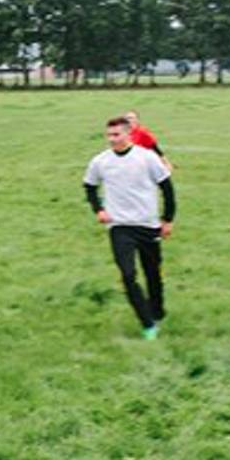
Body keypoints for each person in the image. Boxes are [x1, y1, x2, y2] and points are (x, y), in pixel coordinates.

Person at [83, 117, 176, 339]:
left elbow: (167, 188)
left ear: (129, 134)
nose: (112, 139)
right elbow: (89, 186)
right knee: (127, 274)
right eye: (109, 135)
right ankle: (147, 324)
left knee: (153, 273)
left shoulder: (147, 158)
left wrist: (168, 219)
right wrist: (99, 209)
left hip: (148, 224)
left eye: (116, 135)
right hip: (119, 226)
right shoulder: (100, 161)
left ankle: (156, 310)